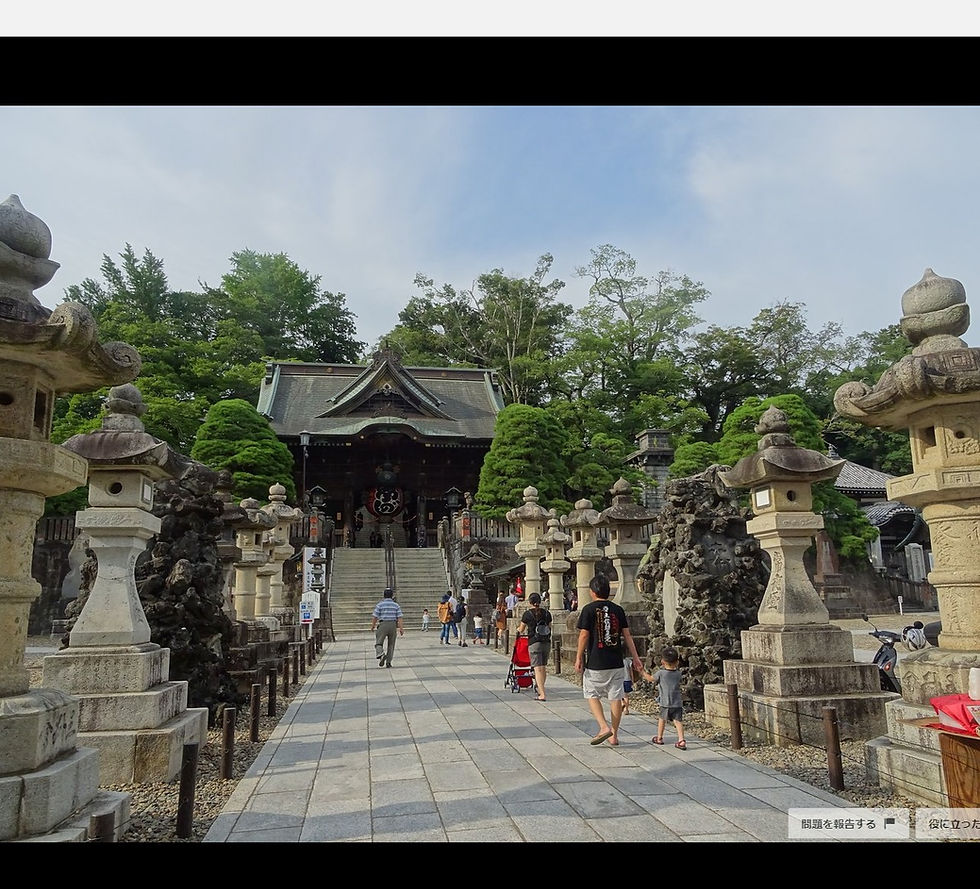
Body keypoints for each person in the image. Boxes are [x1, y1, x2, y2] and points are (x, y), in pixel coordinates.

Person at [575, 573, 643, 747]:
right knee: (615, 697)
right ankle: (614, 735)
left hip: (596, 661)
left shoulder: (588, 610)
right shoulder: (617, 609)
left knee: (591, 693)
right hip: (616, 661)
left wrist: (578, 657)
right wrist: (636, 658)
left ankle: (604, 726)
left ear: (592, 592)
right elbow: (627, 635)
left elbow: (584, 635)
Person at [639, 646, 687, 749]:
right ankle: (681, 740)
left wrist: (642, 672)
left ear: (662, 662)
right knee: (678, 721)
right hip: (677, 702)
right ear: (677, 662)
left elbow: (651, 679)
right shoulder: (678, 674)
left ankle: (659, 738)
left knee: (662, 719)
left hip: (665, 702)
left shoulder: (661, 673)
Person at [519, 592, 553, 701]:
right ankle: (540, 688)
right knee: (543, 667)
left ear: (530, 602)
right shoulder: (547, 614)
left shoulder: (527, 614)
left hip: (534, 642)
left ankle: (542, 693)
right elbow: (549, 627)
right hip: (546, 642)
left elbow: (521, 629)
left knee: (537, 668)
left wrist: (518, 630)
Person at [370, 587, 404, 668]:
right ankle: (388, 662)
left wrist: (373, 626)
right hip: (393, 625)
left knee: (379, 642)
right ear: (392, 596)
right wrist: (401, 628)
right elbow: (399, 617)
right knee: (391, 644)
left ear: (384, 596)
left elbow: (375, 617)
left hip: (383, 624)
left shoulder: (380, 605)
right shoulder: (396, 605)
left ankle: (381, 654)